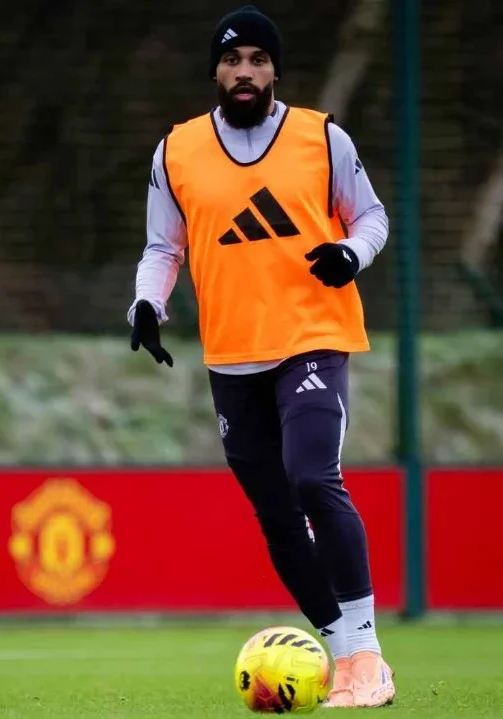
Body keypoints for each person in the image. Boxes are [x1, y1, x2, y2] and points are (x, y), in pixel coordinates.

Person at [127, 4, 394, 709]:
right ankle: (342, 656)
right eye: (231, 60)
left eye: (257, 60)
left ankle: (367, 657)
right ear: (215, 71)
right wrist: (147, 303)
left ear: (275, 69)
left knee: (312, 476)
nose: (244, 72)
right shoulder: (176, 151)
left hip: (313, 336)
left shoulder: (320, 137)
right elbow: (164, 247)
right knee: (275, 512)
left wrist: (350, 252)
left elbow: (372, 216)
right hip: (232, 356)